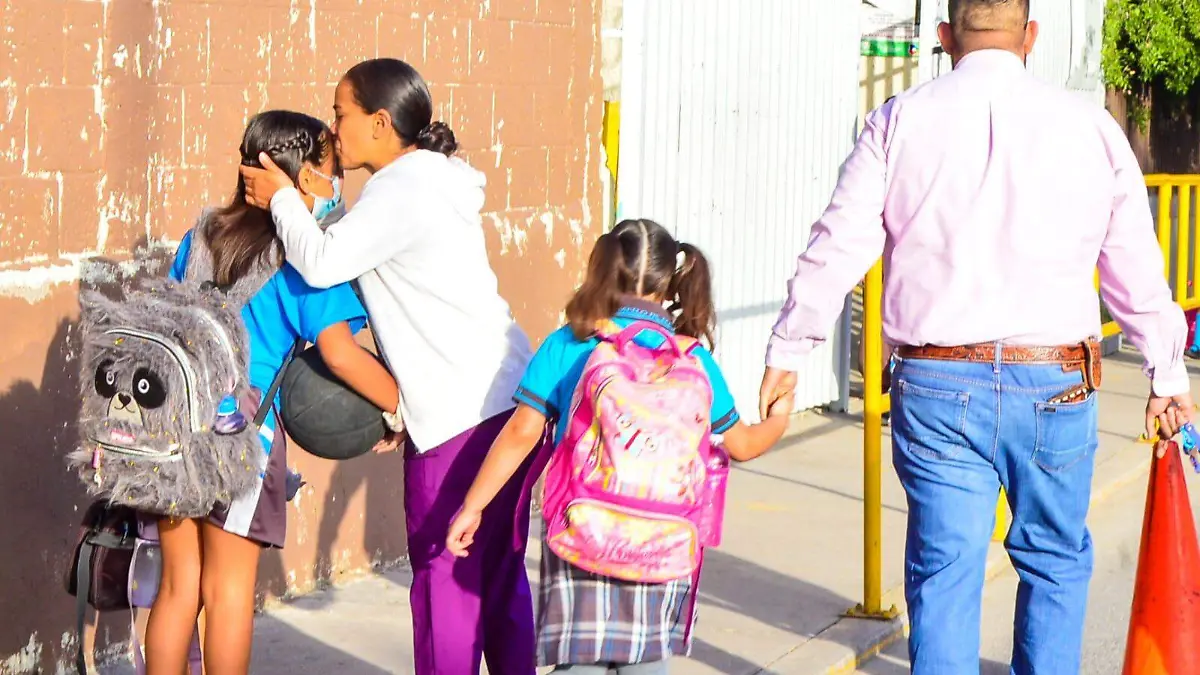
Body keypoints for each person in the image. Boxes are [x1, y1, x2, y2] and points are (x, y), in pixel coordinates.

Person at [757, 1, 1194, 673]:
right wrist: (1166, 372)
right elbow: (1134, 261)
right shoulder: (1091, 127)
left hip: (936, 384)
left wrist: (791, 347)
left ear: (943, 36)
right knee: (1052, 565)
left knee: (944, 575)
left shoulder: (898, 121)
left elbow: (837, 244)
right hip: (1057, 381)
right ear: (1032, 37)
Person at [238, 58, 536, 675]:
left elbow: (321, 265)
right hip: (505, 399)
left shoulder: (402, 190)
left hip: (458, 417)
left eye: (341, 114)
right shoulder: (428, 182)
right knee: (499, 581)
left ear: (380, 122)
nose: (334, 129)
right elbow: (348, 245)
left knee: (446, 583)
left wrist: (286, 200)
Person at [445, 219, 794, 674]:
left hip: (583, 533)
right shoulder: (692, 358)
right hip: (661, 542)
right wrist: (780, 417)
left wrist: (473, 506)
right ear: (671, 281)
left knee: (581, 664)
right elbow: (743, 444)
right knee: (647, 665)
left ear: (605, 266)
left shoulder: (570, 344)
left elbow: (521, 434)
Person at [146, 110, 400, 675]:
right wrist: (396, 406)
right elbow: (339, 352)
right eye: (332, 172)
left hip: (170, 427)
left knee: (177, 589)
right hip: (240, 438)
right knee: (229, 592)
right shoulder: (305, 260)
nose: (337, 188)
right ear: (303, 176)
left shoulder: (202, 234)